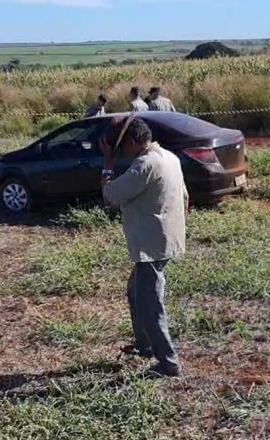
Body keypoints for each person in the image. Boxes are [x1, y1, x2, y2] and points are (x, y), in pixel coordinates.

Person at [100, 115, 189, 378]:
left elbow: (111, 196)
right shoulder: (169, 157)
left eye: (121, 148)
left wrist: (107, 164)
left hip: (151, 247)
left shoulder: (144, 165)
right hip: (165, 239)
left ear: (130, 141)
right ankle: (146, 345)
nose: (122, 154)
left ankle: (168, 363)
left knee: (150, 303)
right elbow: (185, 197)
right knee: (136, 292)